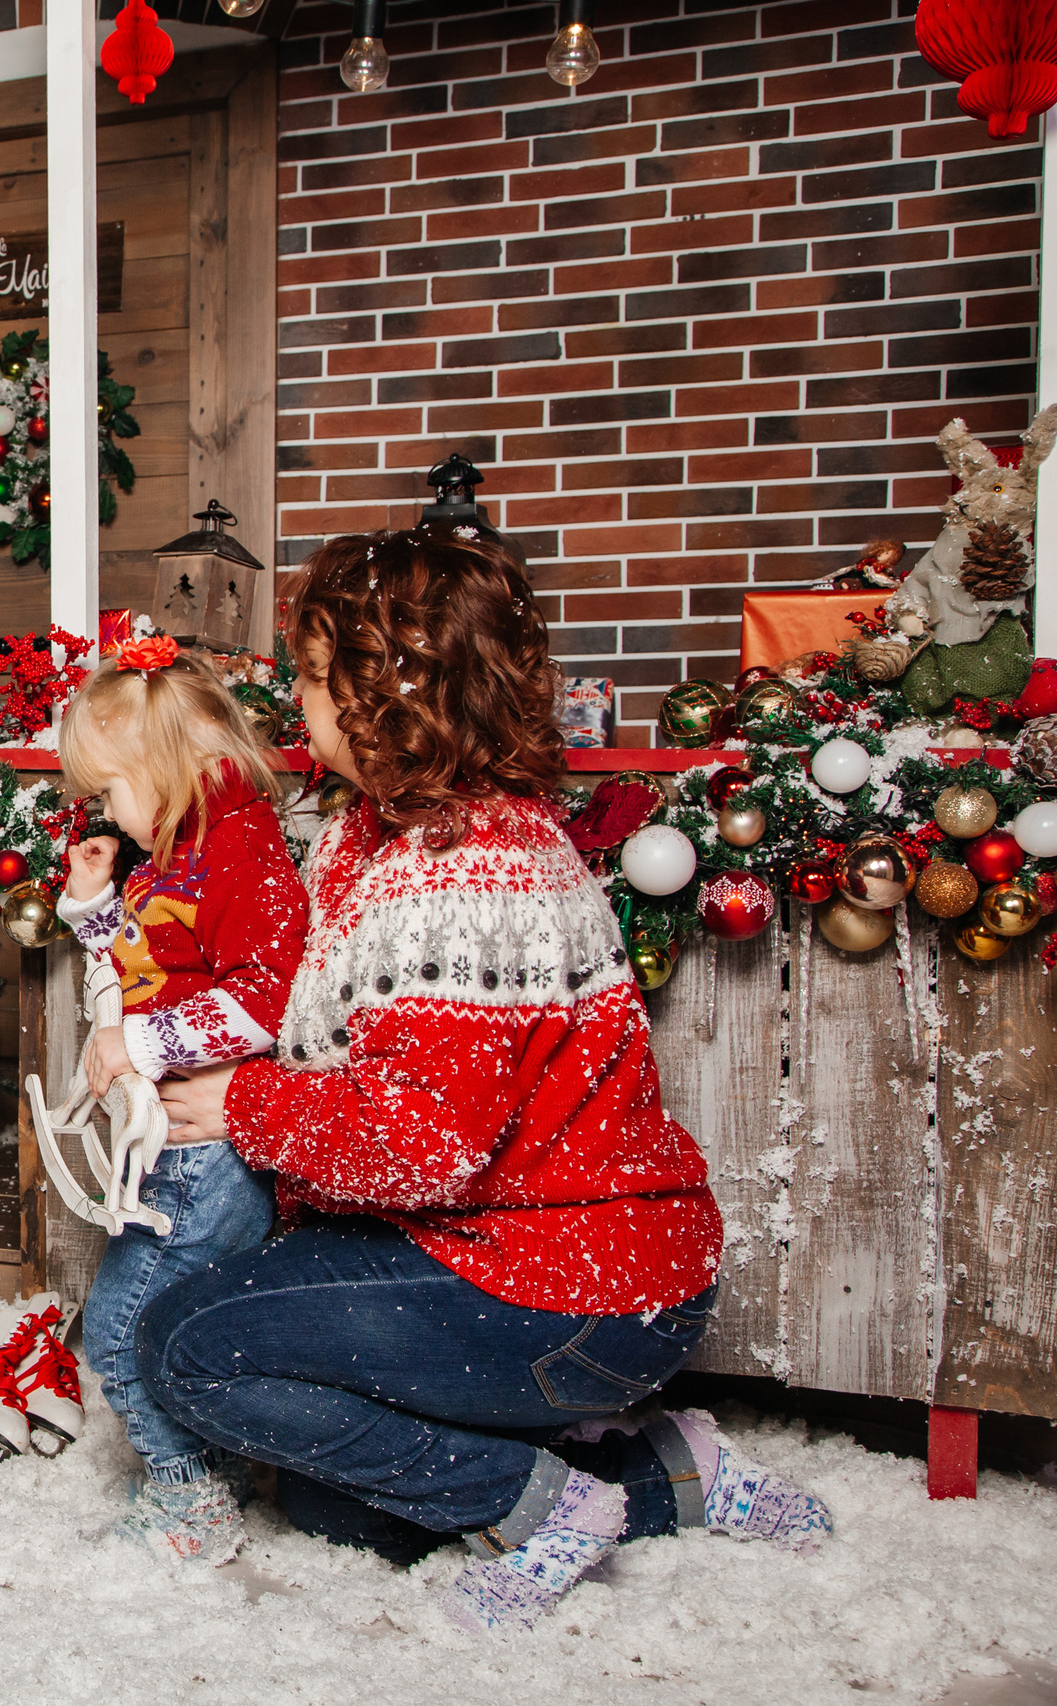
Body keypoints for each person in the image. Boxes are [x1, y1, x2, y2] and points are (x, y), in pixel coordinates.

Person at [132, 527, 831, 1631]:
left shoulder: (465, 873)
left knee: (183, 1348)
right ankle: (664, 1473)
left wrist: (241, 1102)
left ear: (388, 688)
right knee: (336, 1501)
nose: (297, 704)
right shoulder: (378, 835)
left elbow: (421, 1145)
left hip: (563, 1288)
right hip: (520, 1270)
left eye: (312, 677)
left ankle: (539, 1507)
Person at [50, 636, 308, 1565]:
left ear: (171, 766)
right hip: (167, 1144)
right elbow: (146, 972)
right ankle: (216, 1469)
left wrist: (142, 1045)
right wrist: (96, 911)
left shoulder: (240, 853)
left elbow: (264, 999)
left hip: (205, 1158)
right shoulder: (178, 853)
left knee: (119, 1331)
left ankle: (188, 1495)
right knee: (180, 1320)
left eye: (112, 791)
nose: (106, 813)